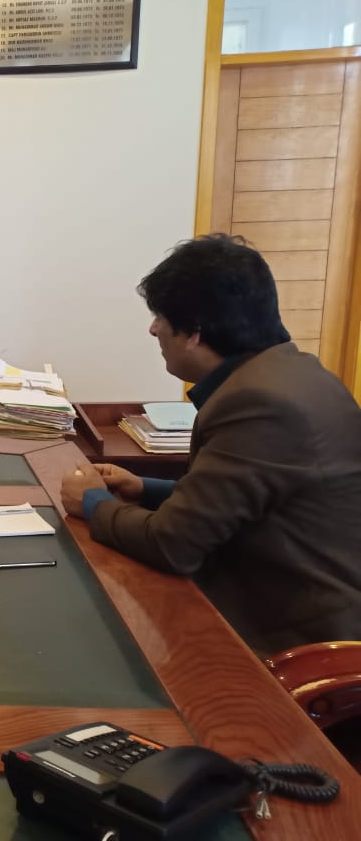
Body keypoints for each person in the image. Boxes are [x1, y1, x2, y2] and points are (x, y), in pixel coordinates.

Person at [60, 234, 361, 655]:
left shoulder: (259, 402)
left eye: (161, 316)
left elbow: (172, 545)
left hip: (296, 644)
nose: (153, 328)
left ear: (195, 332)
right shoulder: (296, 372)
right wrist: (144, 488)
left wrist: (92, 501)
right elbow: (238, 500)